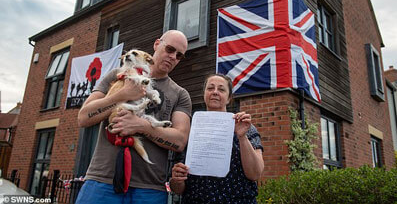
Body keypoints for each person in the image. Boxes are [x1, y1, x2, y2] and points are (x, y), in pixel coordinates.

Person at [76, 30, 192, 204]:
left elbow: (180, 140)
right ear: (156, 44)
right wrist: (122, 95)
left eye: (179, 55)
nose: (173, 57)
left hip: (150, 188)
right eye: (169, 49)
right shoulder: (118, 74)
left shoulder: (180, 94)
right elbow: (83, 117)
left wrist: (142, 126)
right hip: (102, 180)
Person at [170, 74, 264, 204]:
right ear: (204, 94)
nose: (215, 92)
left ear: (229, 98)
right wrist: (177, 180)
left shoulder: (245, 127)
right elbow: (178, 189)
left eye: (221, 89)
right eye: (210, 88)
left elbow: (255, 174)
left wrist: (242, 137)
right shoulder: (189, 129)